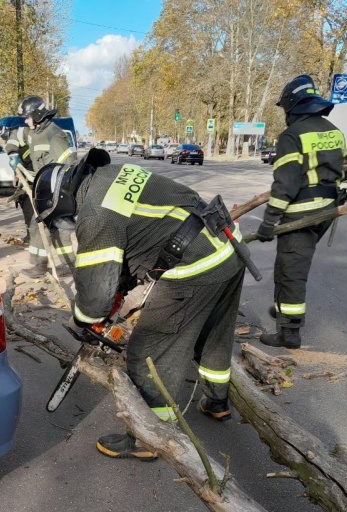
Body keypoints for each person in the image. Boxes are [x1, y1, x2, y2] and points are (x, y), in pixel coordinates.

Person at [33, 150, 247, 460]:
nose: (66, 225)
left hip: (198, 264)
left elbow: (94, 298)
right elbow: (138, 234)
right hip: (226, 243)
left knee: (148, 351)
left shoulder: (94, 216)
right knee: (213, 334)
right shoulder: (108, 176)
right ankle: (216, 402)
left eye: (60, 220)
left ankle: (150, 437)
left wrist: (84, 322)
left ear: (61, 202)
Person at [257, 75, 347, 348]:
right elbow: (341, 168)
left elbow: (284, 185)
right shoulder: (333, 131)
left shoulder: (291, 136)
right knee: (289, 266)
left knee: (290, 271)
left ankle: (289, 333)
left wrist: (268, 223)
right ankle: (283, 309)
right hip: (326, 212)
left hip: (301, 215)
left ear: (292, 106)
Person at [17, 95, 77, 268]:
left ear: (36, 115)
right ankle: (42, 266)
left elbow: (67, 167)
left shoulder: (54, 134)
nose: (26, 122)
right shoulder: (37, 133)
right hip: (44, 191)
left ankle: (68, 267)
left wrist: (61, 196)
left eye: (27, 118)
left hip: (56, 193)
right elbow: (40, 167)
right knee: (40, 229)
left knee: (58, 231)